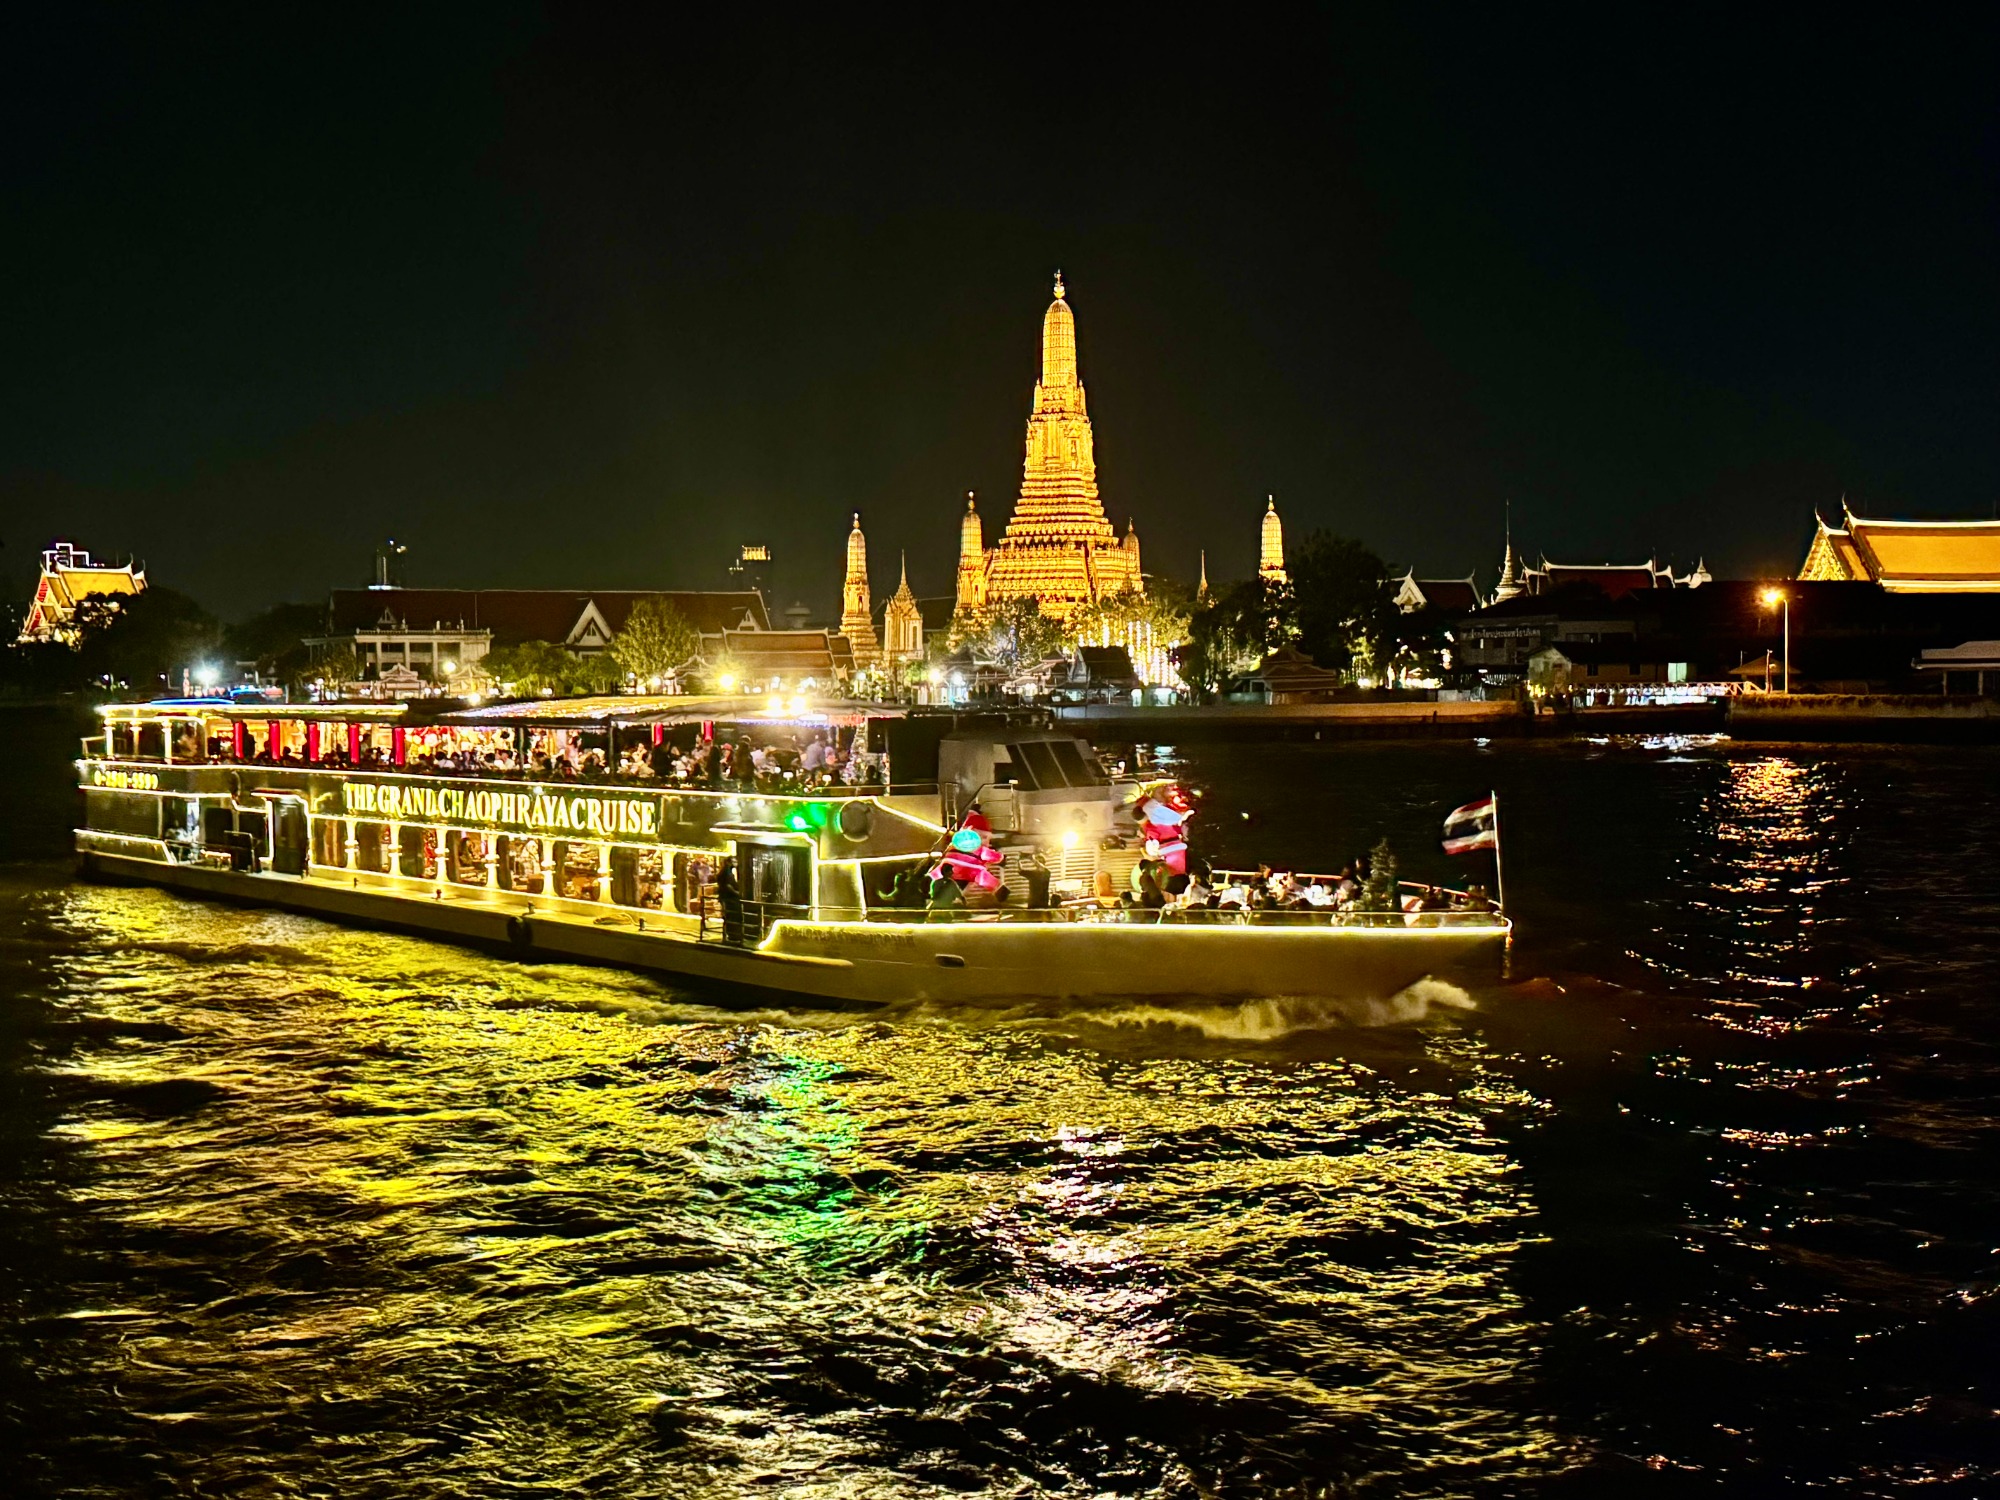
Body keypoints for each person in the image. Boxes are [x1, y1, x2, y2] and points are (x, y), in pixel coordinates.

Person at [715, 857, 744, 945]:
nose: (736, 863)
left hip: (727, 897)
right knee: (733, 915)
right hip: (729, 898)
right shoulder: (727, 871)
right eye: (734, 861)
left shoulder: (726, 871)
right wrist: (737, 893)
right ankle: (733, 935)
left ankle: (732, 934)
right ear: (728, 862)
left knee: (730, 916)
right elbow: (728, 885)